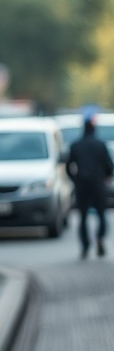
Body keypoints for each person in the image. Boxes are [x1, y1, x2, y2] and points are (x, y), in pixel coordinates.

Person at [67, 107, 114, 259]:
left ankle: (86, 245)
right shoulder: (100, 144)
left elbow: (69, 166)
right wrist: (105, 177)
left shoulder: (76, 145)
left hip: (82, 186)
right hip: (98, 185)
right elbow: (109, 166)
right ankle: (100, 237)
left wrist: (75, 179)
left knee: (83, 217)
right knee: (101, 215)